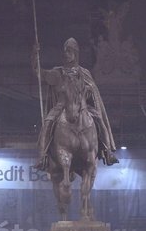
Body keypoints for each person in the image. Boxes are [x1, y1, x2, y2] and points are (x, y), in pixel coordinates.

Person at [32, 37, 118, 171]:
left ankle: (108, 152)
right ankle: (43, 157)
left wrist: (88, 91)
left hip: (83, 106)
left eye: (70, 51)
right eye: (65, 51)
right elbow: (40, 74)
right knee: (48, 122)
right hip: (62, 106)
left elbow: (92, 91)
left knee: (100, 121)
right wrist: (35, 56)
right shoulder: (57, 72)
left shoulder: (84, 73)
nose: (67, 54)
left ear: (76, 54)